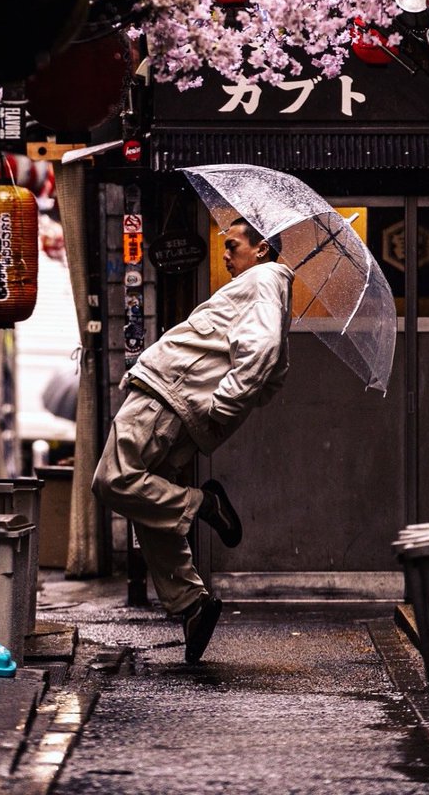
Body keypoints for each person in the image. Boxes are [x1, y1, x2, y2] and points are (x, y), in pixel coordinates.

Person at [92, 217, 294, 663]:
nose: (225, 253)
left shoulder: (264, 278)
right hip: (181, 400)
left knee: (114, 480)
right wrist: (219, 405)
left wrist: (221, 405)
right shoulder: (266, 287)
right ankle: (191, 603)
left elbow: (262, 353)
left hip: (168, 393)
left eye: (233, 244)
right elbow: (273, 375)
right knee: (149, 504)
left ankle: (204, 504)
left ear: (261, 249)